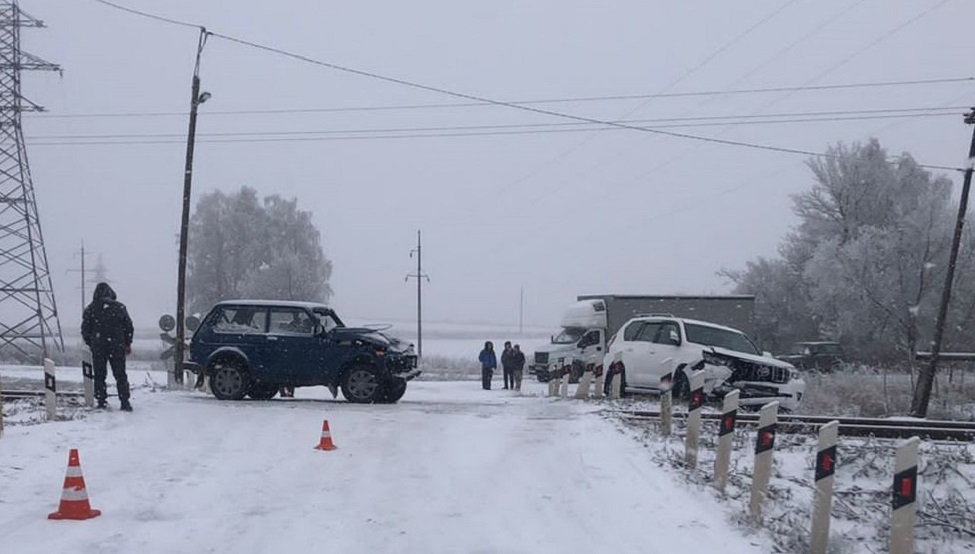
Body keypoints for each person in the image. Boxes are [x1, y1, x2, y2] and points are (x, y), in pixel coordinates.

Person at [81, 282, 134, 411]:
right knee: (120, 374)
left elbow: (85, 330)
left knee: (99, 374)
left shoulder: (90, 309)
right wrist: (127, 343)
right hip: (117, 346)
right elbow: (129, 327)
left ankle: (101, 400)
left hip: (99, 347)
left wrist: (92, 343)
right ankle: (124, 401)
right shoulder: (119, 308)